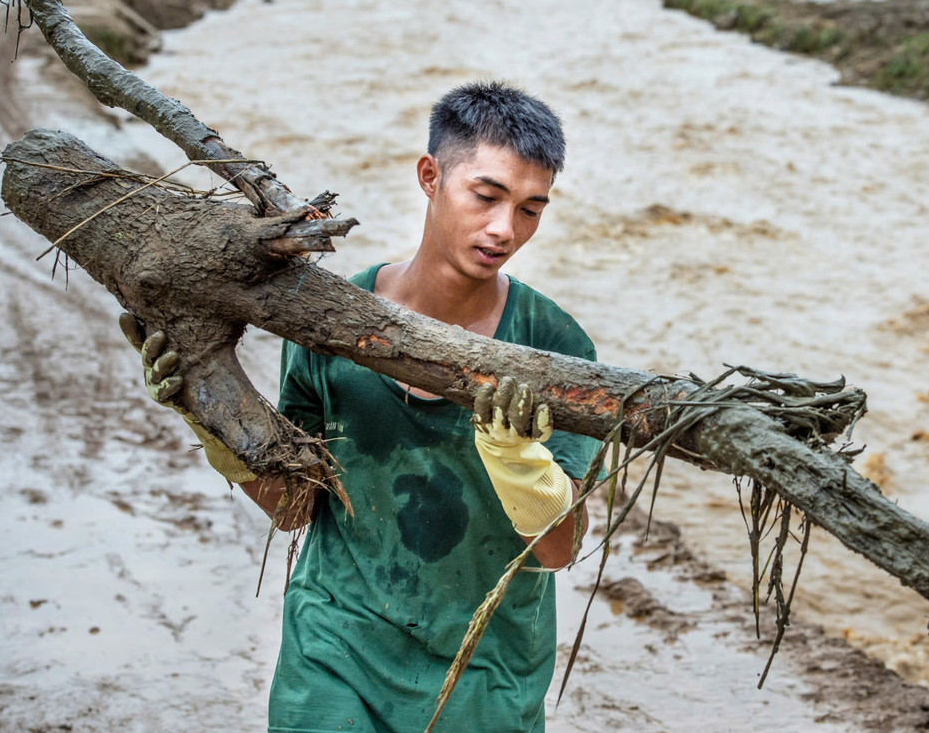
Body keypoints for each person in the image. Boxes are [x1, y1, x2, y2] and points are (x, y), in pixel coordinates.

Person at [123, 82, 602, 733]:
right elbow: (296, 506)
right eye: (486, 196)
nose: (504, 229)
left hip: (484, 668)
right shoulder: (331, 320)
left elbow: (555, 549)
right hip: (336, 648)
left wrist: (517, 460)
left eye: (530, 209)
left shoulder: (554, 345)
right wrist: (204, 409)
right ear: (430, 177)